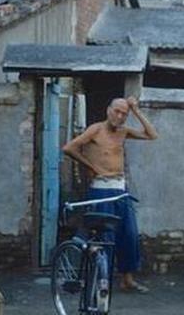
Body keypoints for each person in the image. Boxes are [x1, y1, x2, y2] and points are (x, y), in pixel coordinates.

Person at [62, 97, 158, 293]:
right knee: (106, 236)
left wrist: (136, 110)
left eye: (124, 113)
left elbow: (152, 135)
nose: (120, 116)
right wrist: (92, 166)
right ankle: (101, 279)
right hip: (101, 189)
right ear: (108, 110)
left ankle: (127, 279)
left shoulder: (123, 132)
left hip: (121, 190)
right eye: (117, 111)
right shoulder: (96, 130)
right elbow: (69, 147)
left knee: (129, 234)